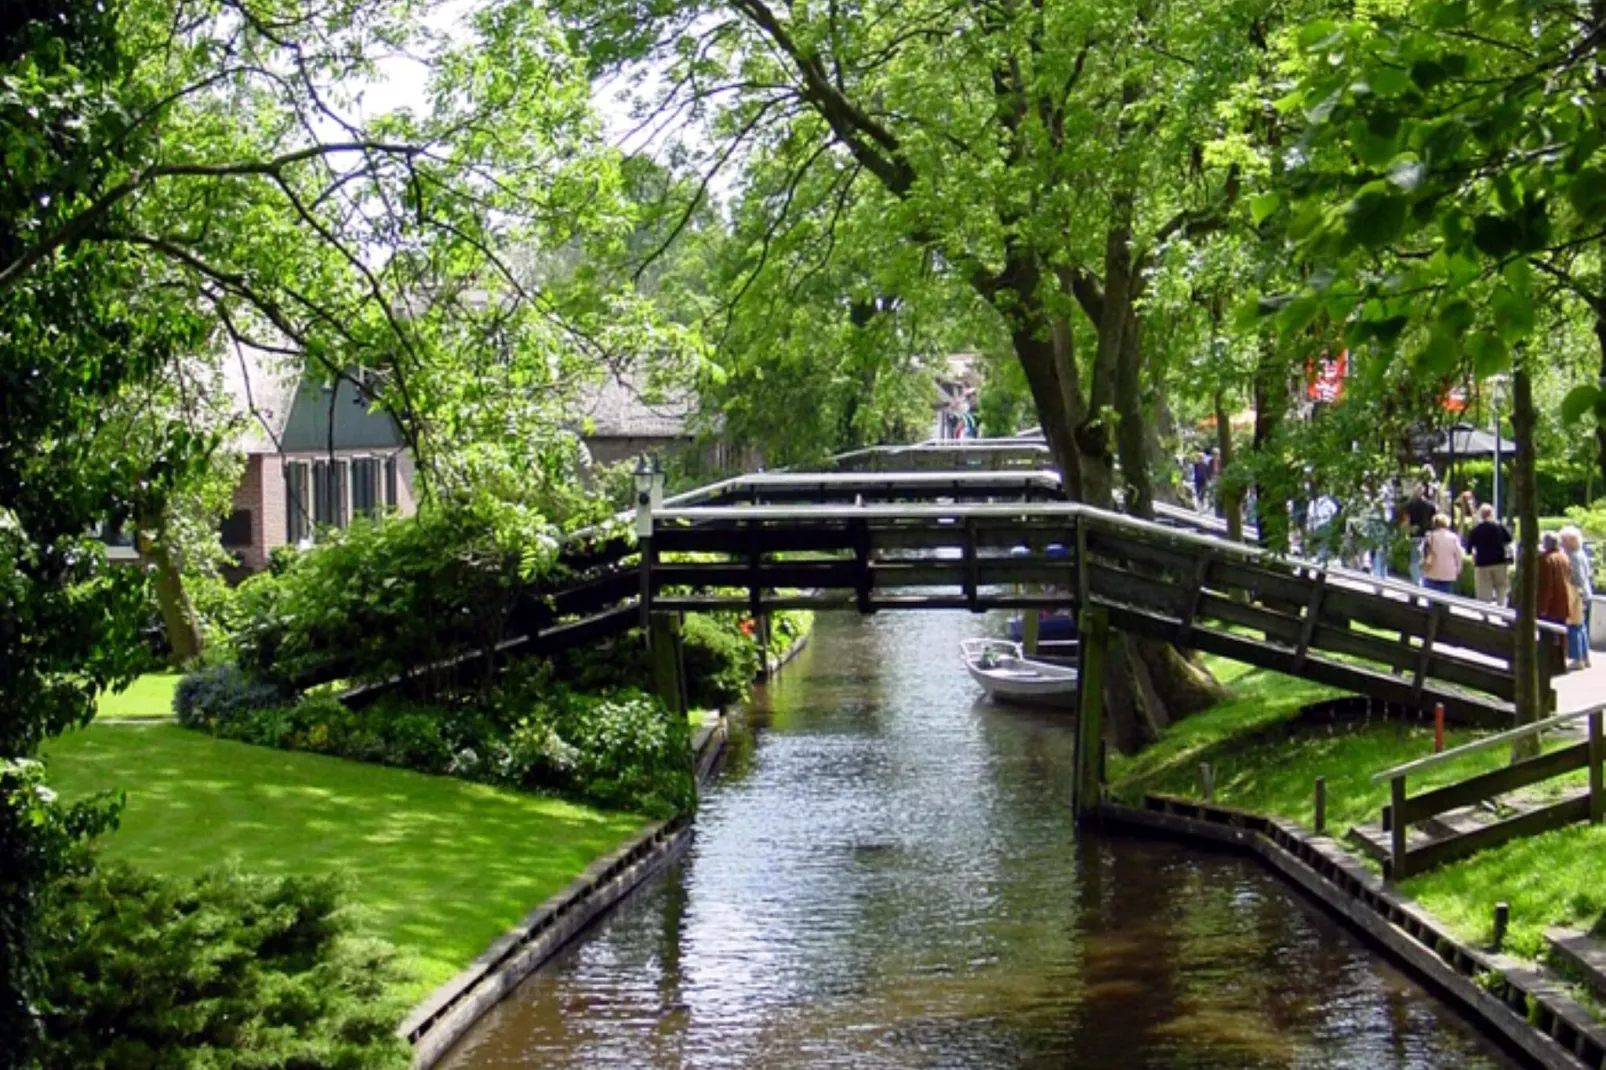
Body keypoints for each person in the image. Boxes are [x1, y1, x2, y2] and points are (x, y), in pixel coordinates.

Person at [1537, 532, 1575, 672]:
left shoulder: (1545, 560)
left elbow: (1546, 585)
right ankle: (1560, 664)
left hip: (1551, 604)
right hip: (1564, 600)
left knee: (1546, 635)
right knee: (1561, 635)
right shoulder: (1564, 557)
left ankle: (1548, 665)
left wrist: (1542, 607)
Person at [1465, 504, 1513, 606]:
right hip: (1500, 562)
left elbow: (1468, 549)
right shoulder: (1499, 527)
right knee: (1501, 588)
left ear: (1480, 515)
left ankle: (1485, 616)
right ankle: (1501, 610)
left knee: (1484, 591)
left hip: (1483, 563)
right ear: (1492, 514)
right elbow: (1509, 539)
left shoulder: (1476, 530)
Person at [1562, 526, 1594, 669]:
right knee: (1581, 627)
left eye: (1563, 540)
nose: (1561, 543)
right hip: (1585, 593)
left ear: (1570, 542)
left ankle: (1577, 659)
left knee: (1574, 626)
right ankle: (1585, 657)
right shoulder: (1581, 553)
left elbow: (1578, 578)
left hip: (1577, 594)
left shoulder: (1573, 556)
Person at [1421, 514, 1464, 594]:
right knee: (1445, 599)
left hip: (1431, 571)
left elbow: (1422, 552)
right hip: (1448, 573)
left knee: (1431, 597)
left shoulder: (1430, 536)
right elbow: (1459, 555)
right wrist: (1459, 568)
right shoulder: (1453, 537)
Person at [1404, 484, 1437, 585]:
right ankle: (1422, 579)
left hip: (1414, 534)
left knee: (1414, 559)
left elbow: (1407, 520)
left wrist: (1407, 531)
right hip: (1426, 534)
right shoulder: (1429, 505)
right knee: (1424, 557)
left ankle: (1416, 581)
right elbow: (1434, 517)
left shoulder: (1410, 504)